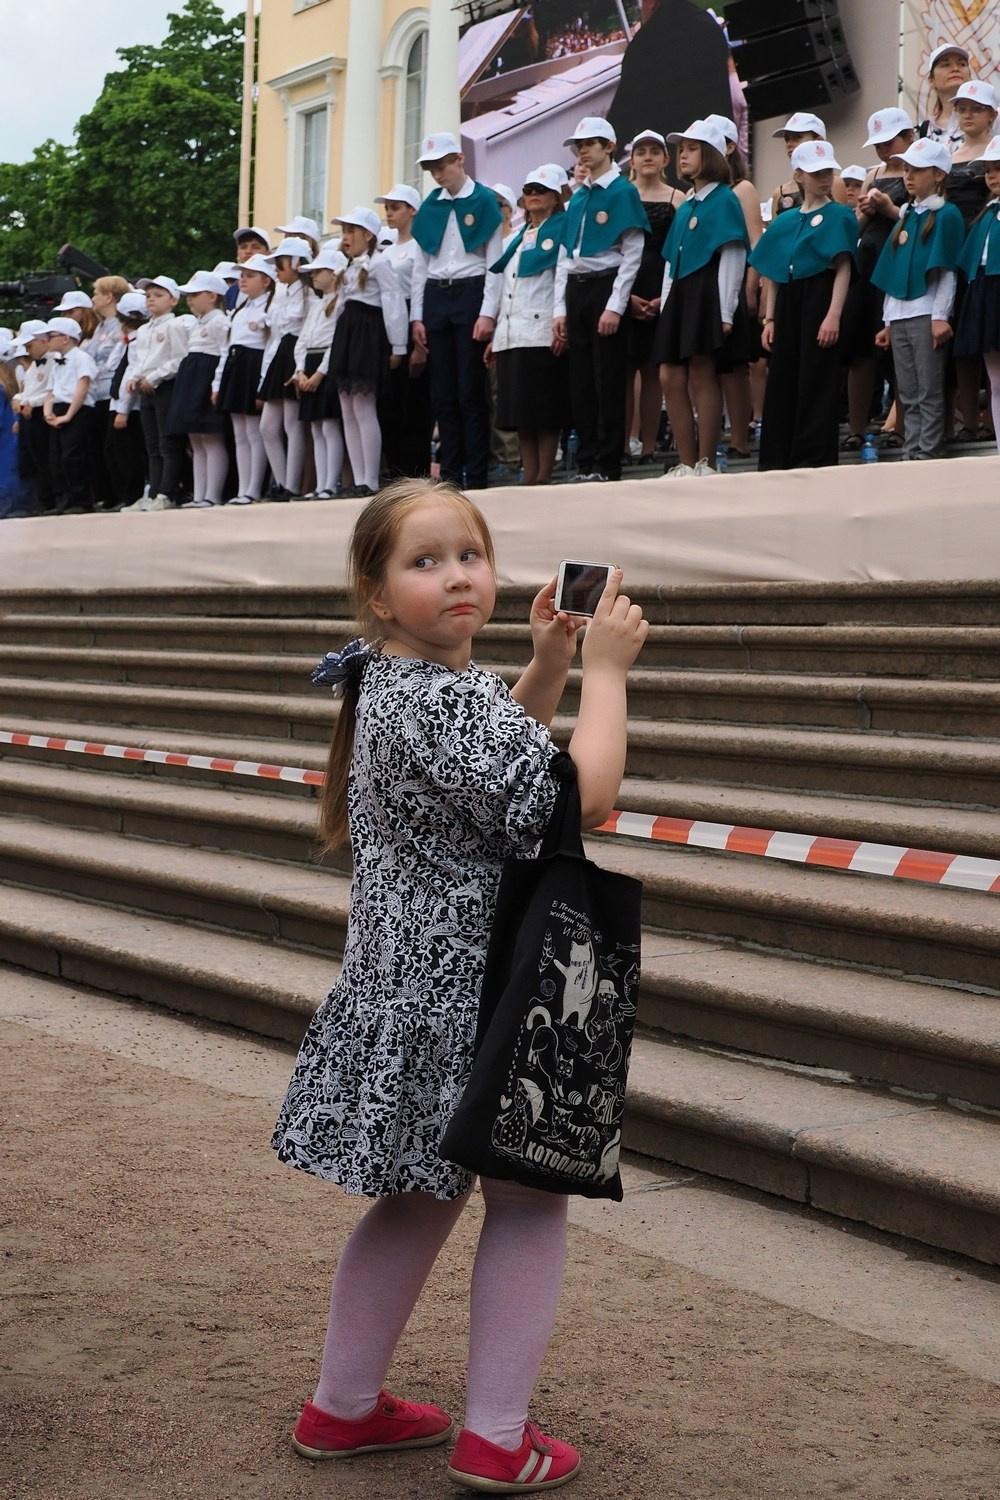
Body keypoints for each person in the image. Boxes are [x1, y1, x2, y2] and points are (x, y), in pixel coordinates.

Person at [271, 477, 648, 1493]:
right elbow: (586, 800)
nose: (457, 578)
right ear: (379, 593)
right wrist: (608, 675)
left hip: (410, 992)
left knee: (414, 1201)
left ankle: (342, 1408)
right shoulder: (440, 699)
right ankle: (495, 1438)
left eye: (469, 556)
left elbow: (493, 770)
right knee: (525, 1204)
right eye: (425, 562)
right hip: (477, 995)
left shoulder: (395, 685)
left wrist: (550, 664)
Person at [552, 116, 648, 483]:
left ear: (609, 147)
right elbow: (566, 254)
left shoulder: (622, 192)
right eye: (579, 145)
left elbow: (633, 249)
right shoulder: (578, 197)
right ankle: (587, 460)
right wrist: (560, 308)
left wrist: (615, 305)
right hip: (577, 287)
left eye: (590, 143)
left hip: (604, 284)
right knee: (581, 381)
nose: (583, 151)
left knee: (607, 378)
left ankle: (608, 463)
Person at [751, 141, 857, 471]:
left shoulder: (839, 215)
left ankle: (814, 457)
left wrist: (833, 315)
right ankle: (777, 457)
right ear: (799, 175)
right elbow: (777, 273)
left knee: (817, 377)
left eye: (828, 172)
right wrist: (770, 318)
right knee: (783, 377)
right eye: (816, 173)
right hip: (790, 300)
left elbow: (843, 266)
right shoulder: (784, 222)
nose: (825, 178)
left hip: (820, 296)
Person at [653, 118, 750, 477]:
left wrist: (725, 310)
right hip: (681, 292)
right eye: (681, 150)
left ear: (710, 154)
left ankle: (706, 460)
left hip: (707, 290)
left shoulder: (723, 199)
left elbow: (733, 255)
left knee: (701, 372)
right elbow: (671, 262)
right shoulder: (688, 202)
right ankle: (685, 460)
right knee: (669, 376)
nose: (683, 156)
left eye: (692, 149)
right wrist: (666, 307)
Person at [410, 132, 505, 491]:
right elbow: (422, 266)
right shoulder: (431, 205)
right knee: (443, 394)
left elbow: (493, 263)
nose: (438, 173)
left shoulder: (483, 201)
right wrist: (416, 316)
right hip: (437, 295)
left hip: (470, 293)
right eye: (432, 168)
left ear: (460, 160)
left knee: (470, 392)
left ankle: (477, 475)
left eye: (443, 165)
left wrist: (487, 313)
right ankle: (449, 477)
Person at [871, 138, 965, 460]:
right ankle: (911, 448)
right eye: (907, 169)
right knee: (907, 391)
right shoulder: (908, 215)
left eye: (918, 170)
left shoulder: (947, 214)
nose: (908, 176)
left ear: (938, 175)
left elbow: (946, 269)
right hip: (900, 316)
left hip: (926, 313)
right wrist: (887, 321)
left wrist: (940, 316)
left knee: (929, 388)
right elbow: (894, 271)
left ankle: (929, 450)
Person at [484, 163, 570, 486]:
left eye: (541, 190)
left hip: (542, 330)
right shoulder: (518, 238)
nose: (533, 196)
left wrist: (561, 320)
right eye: (529, 190)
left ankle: (543, 473)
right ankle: (529, 472)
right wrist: (496, 335)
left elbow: (562, 279)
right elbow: (506, 289)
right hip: (512, 334)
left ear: (557, 196)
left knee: (544, 410)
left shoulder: (562, 227)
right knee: (520, 411)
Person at [841, 109, 916, 452]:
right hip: (867, 265)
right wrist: (864, 211)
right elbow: (855, 228)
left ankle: (900, 426)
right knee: (860, 348)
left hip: (899, 265)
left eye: (890, 143)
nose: (884, 151)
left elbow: (920, 219)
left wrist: (888, 209)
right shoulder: (873, 173)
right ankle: (857, 427)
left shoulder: (917, 171)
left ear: (908, 137)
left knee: (899, 350)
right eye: (879, 145)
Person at [328, 206, 408, 498]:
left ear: (368, 235)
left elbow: (393, 302)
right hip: (348, 336)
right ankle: (359, 477)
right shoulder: (348, 267)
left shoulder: (379, 263)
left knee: (363, 407)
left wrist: (398, 344)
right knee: (347, 408)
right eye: (344, 231)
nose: (346, 237)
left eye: (352, 231)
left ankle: (371, 480)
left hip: (366, 336)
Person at [606, 0, 732, 179]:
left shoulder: (644, 43)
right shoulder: (708, 27)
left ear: (651, 2)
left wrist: (605, 158)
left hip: (667, 166)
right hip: (713, 153)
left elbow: (624, 113)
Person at [623, 130, 685, 465]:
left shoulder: (678, 198)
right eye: (641, 151)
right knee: (622, 371)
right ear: (631, 160)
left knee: (652, 371)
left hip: (660, 288)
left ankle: (648, 446)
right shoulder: (621, 196)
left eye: (654, 151)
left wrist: (665, 295)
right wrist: (625, 296)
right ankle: (621, 444)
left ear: (665, 159)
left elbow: (680, 251)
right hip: (623, 290)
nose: (647, 157)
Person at [706, 112, 766, 459]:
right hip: (706, 285)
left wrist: (750, 285)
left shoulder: (741, 188)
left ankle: (739, 436)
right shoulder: (704, 193)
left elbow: (755, 240)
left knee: (734, 365)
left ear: (729, 147)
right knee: (710, 365)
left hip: (734, 281)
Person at [947, 80, 998, 442]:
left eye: (975, 109)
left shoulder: (994, 154)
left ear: (992, 115)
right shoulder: (948, 155)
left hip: (991, 256)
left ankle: (992, 425)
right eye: (962, 109)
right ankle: (969, 420)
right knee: (965, 340)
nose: (967, 115)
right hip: (962, 258)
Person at [375, 183, 433, 479]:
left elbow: (419, 288)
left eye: (395, 207)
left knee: (414, 404)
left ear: (412, 210)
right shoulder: (385, 251)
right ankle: (396, 471)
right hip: (387, 327)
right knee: (391, 404)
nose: (389, 213)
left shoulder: (419, 246)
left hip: (412, 322)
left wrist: (416, 339)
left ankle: (416, 472)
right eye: (387, 208)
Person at [213, 253, 276, 505]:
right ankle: (243, 488)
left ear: (266, 281)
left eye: (250, 276)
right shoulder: (239, 310)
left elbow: (270, 344)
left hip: (254, 365)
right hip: (236, 365)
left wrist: (262, 381)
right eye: (242, 276)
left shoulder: (269, 308)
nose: (243, 280)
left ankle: (253, 488)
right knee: (240, 432)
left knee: (253, 430)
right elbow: (226, 347)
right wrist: (217, 383)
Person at [124, 275, 190, 511]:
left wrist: (154, 376)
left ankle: (167, 491)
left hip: (165, 386)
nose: (151, 299)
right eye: (149, 295)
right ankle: (152, 491)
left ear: (173, 300)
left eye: (158, 295)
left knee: (168, 442)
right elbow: (139, 359)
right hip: (146, 389)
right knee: (152, 444)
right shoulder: (143, 330)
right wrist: (135, 378)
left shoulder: (176, 325)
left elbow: (180, 358)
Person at [166, 270, 232, 509]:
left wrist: (216, 384)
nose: (189, 300)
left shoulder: (220, 321)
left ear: (212, 295)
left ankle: (212, 494)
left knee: (211, 437)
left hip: (206, 379)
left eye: (194, 295)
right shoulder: (197, 323)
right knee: (196, 439)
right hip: (192, 379)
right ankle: (199, 494)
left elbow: (224, 354)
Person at [954, 135, 1000, 454]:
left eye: (999, 168)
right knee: (995, 381)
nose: (992, 176)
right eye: (988, 170)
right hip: (985, 291)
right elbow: (972, 261)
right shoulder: (985, 215)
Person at [292, 241, 348, 501]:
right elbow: (302, 341)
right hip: (310, 365)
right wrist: (301, 371)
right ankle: (320, 486)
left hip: (327, 366)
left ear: (334, 273)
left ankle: (329, 484)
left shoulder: (340, 303)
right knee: (316, 428)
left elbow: (336, 340)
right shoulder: (316, 305)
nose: (313, 275)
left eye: (318, 271)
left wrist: (319, 374)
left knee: (329, 425)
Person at [259, 236, 312, 498]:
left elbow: (306, 328)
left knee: (293, 424)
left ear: (296, 263)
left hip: (297, 351)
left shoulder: (309, 291)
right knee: (267, 426)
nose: (277, 269)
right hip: (282, 351)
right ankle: (281, 481)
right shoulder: (283, 292)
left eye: (281, 263)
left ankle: (291, 485)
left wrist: (299, 367)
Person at [42, 316, 98, 515]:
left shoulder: (81, 358)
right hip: (58, 407)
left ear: (65, 338)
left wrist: (68, 415)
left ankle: (82, 499)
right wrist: (48, 411)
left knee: (72, 456)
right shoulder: (56, 362)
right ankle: (64, 499)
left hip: (77, 409)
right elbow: (51, 390)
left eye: (51, 336)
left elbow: (82, 387)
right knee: (56, 459)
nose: (47, 340)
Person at [86, 276, 130, 509]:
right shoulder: (101, 326)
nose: (93, 298)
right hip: (96, 394)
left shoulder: (119, 324)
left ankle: (123, 493)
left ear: (109, 297)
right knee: (100, 449)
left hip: (113, 392)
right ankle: (108, 494)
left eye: (96, 293)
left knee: (115, 449)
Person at [107, 292, 150, 510]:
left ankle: (132, 495)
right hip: (117, 404)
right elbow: (113, 364)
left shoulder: (138, 342)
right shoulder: (127, 341)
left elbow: (130, 374)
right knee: (115, 453)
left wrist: (123, 410)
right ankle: (126, 494)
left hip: (130, 407)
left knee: (129, 454)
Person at [769, 113, 849, 216]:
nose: (789, 144)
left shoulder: (834, 183)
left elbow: (839, 223)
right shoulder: (779, 192)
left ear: (819, 141)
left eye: (797, 137)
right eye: (787, 139)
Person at [919, 44, 972, 149]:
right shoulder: (922, 131)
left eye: (961, 64)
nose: (955, 68)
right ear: (931, 80)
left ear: (970, 76)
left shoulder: (992, 120)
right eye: (945, 65)